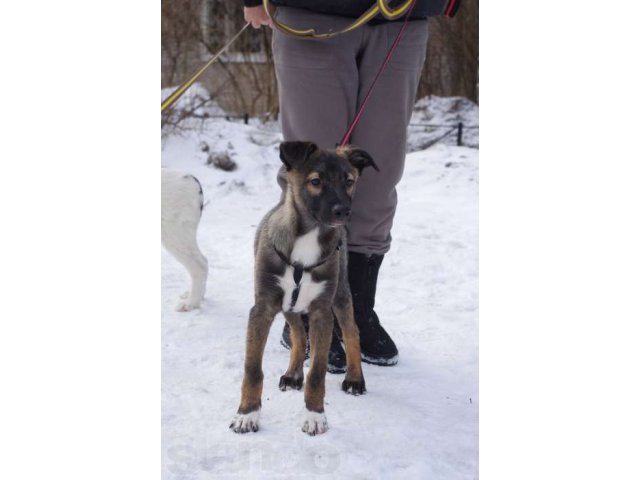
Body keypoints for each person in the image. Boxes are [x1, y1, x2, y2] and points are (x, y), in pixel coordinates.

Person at [243, 0, 453, 372]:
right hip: (312, 14)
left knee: (377, 174)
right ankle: (304, 310)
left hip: (401, 17)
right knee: (314, 176)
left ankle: (356, 312)